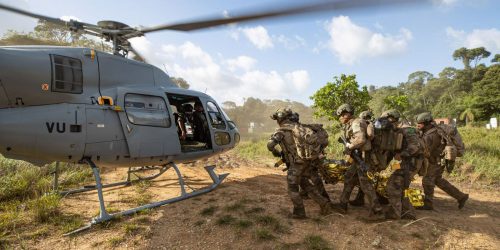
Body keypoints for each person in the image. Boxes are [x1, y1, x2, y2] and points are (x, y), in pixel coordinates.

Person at [267, 108, 333, 218]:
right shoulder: (300, 127)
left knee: (292, 188)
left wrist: (275, 152)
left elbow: (270, 145)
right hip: (307, 161)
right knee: (305, 184)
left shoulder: (281, 131)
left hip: (296, 164)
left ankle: (299, 212)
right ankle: (324, 204)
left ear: (280, 118)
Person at [333, 104, 384, 220]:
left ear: (346, 114)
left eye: (341, 115)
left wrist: (350, 146)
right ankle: (342, 204)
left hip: (362, 158)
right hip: (358, 157)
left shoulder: (356, 123)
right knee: (349, 178)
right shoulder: (353, 123)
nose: (340, 118)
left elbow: (360, 139)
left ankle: (378, 211)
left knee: (365, 184)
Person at [416, 112, 469, 210]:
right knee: (438, 180)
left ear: (426, 123)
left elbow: (426, 151)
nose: (418, 126)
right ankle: (461, 196)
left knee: (427, 180)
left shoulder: (432, 135)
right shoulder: (432, 131)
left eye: (420, 124)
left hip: (434, 161)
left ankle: (428, 204)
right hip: (437, 160)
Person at [380, 109, 421, 220]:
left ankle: (395, 212)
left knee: (392, 186)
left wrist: (403, 154)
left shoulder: (407, 130)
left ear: (392, 118)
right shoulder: (396, 131)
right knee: (403, 188)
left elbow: (416, 146)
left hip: (410, 163)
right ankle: (408, 212)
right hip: (406, 163)